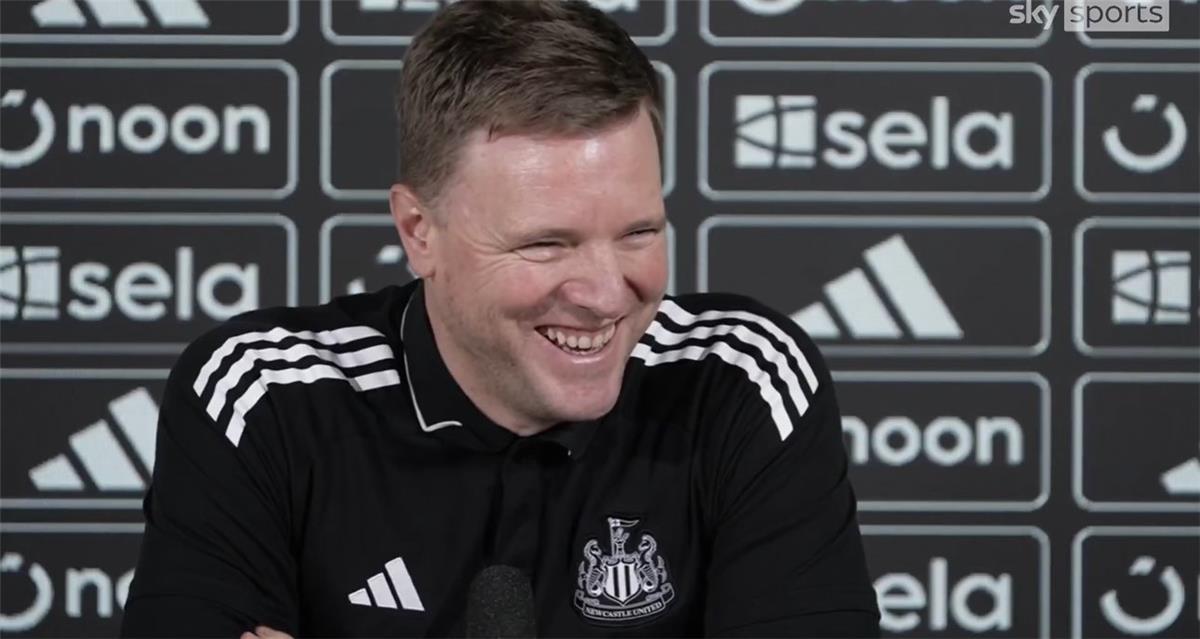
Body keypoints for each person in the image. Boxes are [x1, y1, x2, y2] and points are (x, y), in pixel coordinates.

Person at [120, 1, 879, 636]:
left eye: (639, 233)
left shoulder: (740, 375)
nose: (606, 293)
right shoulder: (262, 392)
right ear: (419, 231)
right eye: (546, 244)